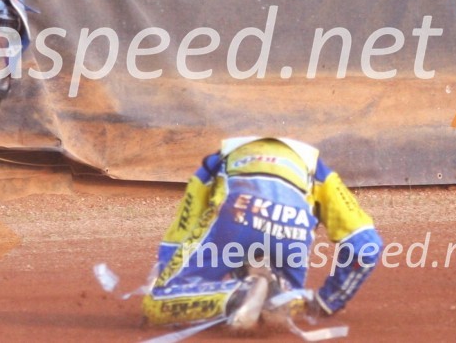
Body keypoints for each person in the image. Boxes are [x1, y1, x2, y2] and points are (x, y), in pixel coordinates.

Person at [142, 136, 383, 329]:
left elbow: (182, 231)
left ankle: (239, 294)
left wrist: (166, 276)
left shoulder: (217, 160)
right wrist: (328, 301)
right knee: (284, 302)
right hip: (293, 231)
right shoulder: (318, 170)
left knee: (159, 300)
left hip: (236, 214)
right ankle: (278, 293)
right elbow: (366, 246)